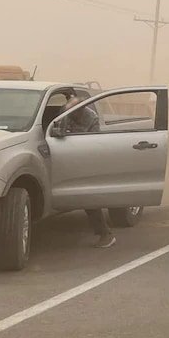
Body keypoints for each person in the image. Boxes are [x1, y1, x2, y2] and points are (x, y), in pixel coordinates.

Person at [62, 96, 116, 248]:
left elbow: (92, 142)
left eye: (74, 112)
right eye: (69, 112)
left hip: (84, 161)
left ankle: (105, 234)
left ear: (81, 109)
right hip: (67, 159)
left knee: (88, 199)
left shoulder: (91, 118)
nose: (71, 115)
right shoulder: (65, 115)